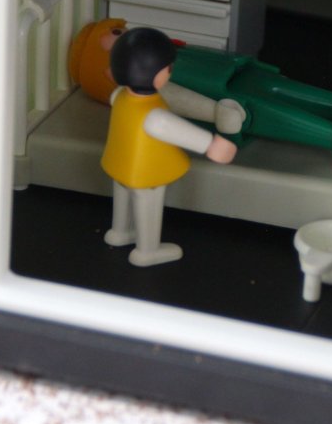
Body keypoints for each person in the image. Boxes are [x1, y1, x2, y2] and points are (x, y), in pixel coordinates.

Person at [70, 19, 332, 165]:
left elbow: (198, 54)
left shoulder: (158, 50)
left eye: (119, 32)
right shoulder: (151, 88)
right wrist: (216, 114)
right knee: (275, 113)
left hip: (234, 73)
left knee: (287, 89)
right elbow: (182, 103)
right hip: (225, 99)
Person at [101, 27, 237, 266]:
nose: (170, 71)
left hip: (119, 164)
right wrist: (212, 145)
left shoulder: (119, 95)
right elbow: (173, 128)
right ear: (155, 75)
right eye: (168, 68)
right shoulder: (153, 115)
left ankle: (120, 232)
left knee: (122, 197)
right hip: (147, 173)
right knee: (148, 206)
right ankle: (147, 251)